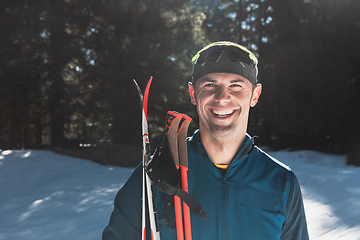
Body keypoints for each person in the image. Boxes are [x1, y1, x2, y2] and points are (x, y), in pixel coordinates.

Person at [102, 41, 309, 240]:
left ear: (255, 95)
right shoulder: (156, 174)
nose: (221, 97)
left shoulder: (281, 183)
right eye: (210, 84)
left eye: (236, 86)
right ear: (193, 93)